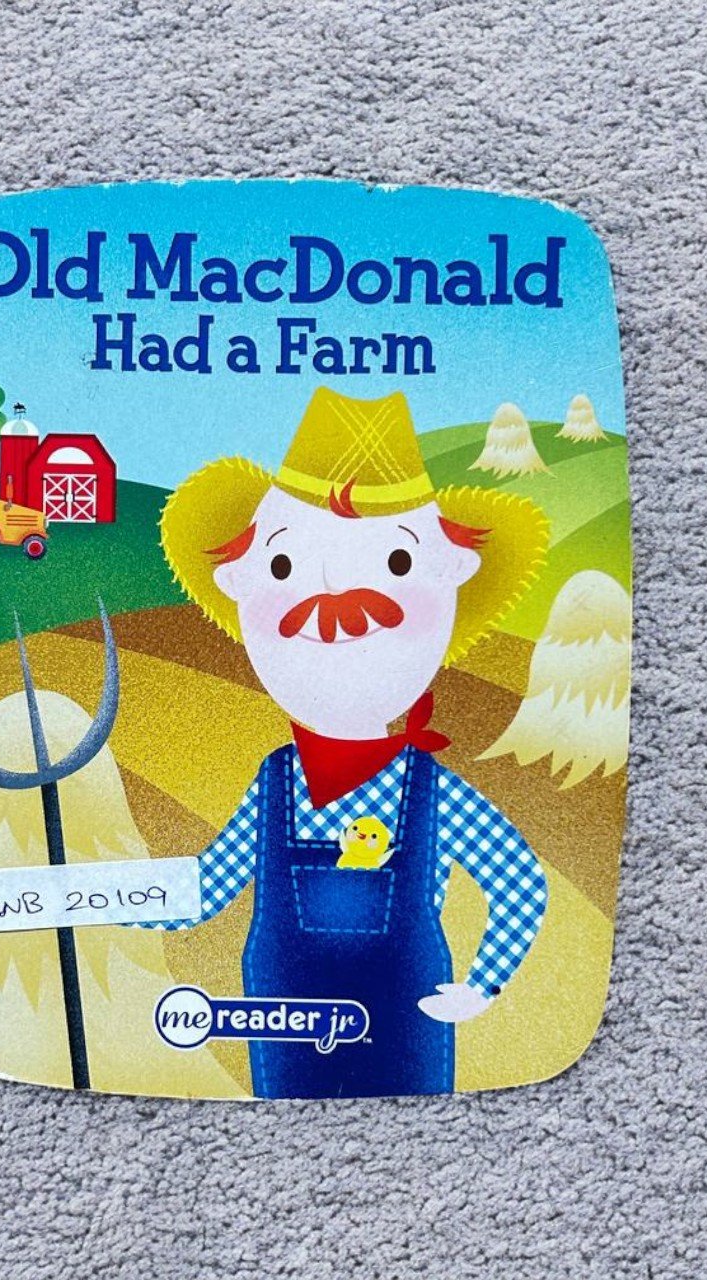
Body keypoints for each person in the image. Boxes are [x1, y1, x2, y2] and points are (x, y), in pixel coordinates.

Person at [150, 387, 550, 1099]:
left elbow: (519, 882)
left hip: (406, 1030)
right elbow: (206, 889)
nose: (333, 595)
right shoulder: (276, 782)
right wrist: (83, 894)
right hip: (286, 1028)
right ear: (239, 583)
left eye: (396, 563)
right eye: (283, 567)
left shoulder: (431, 792)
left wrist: (480, 987)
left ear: (453, 573)